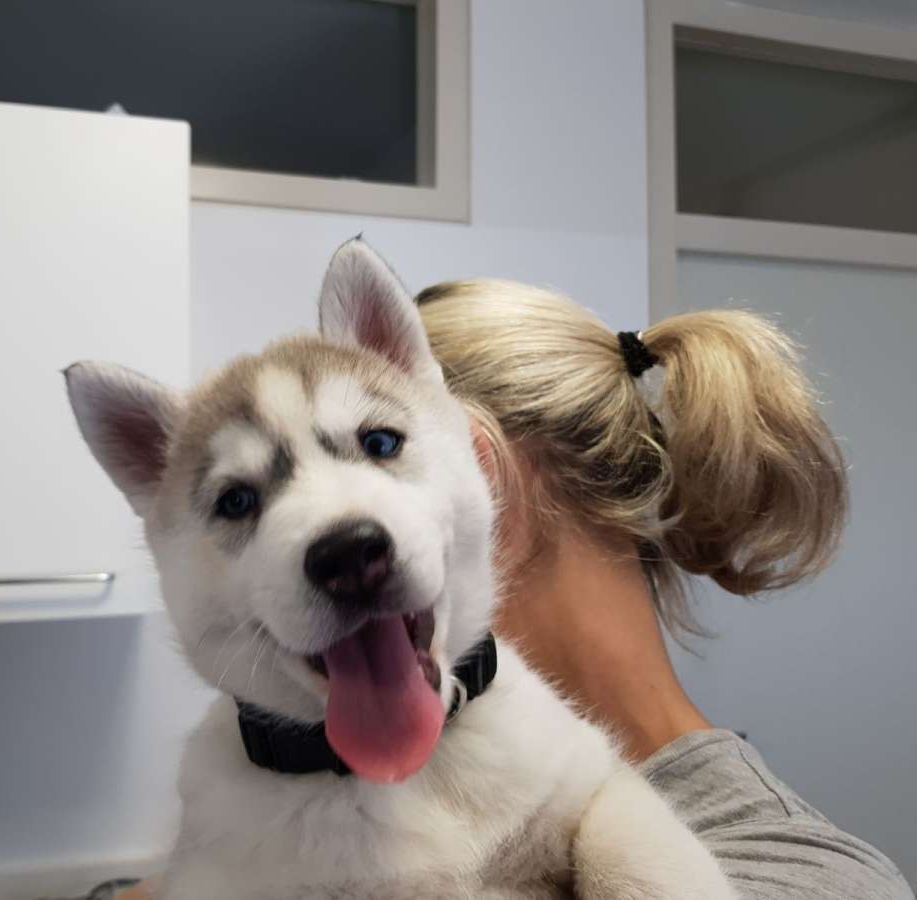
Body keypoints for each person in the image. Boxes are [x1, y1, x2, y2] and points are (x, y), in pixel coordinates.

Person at [114, 280, 913, 899]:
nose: (335, 527)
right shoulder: (237, 789)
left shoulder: (808, 876)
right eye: (238, 501)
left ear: (482, 469)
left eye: (381, 443)